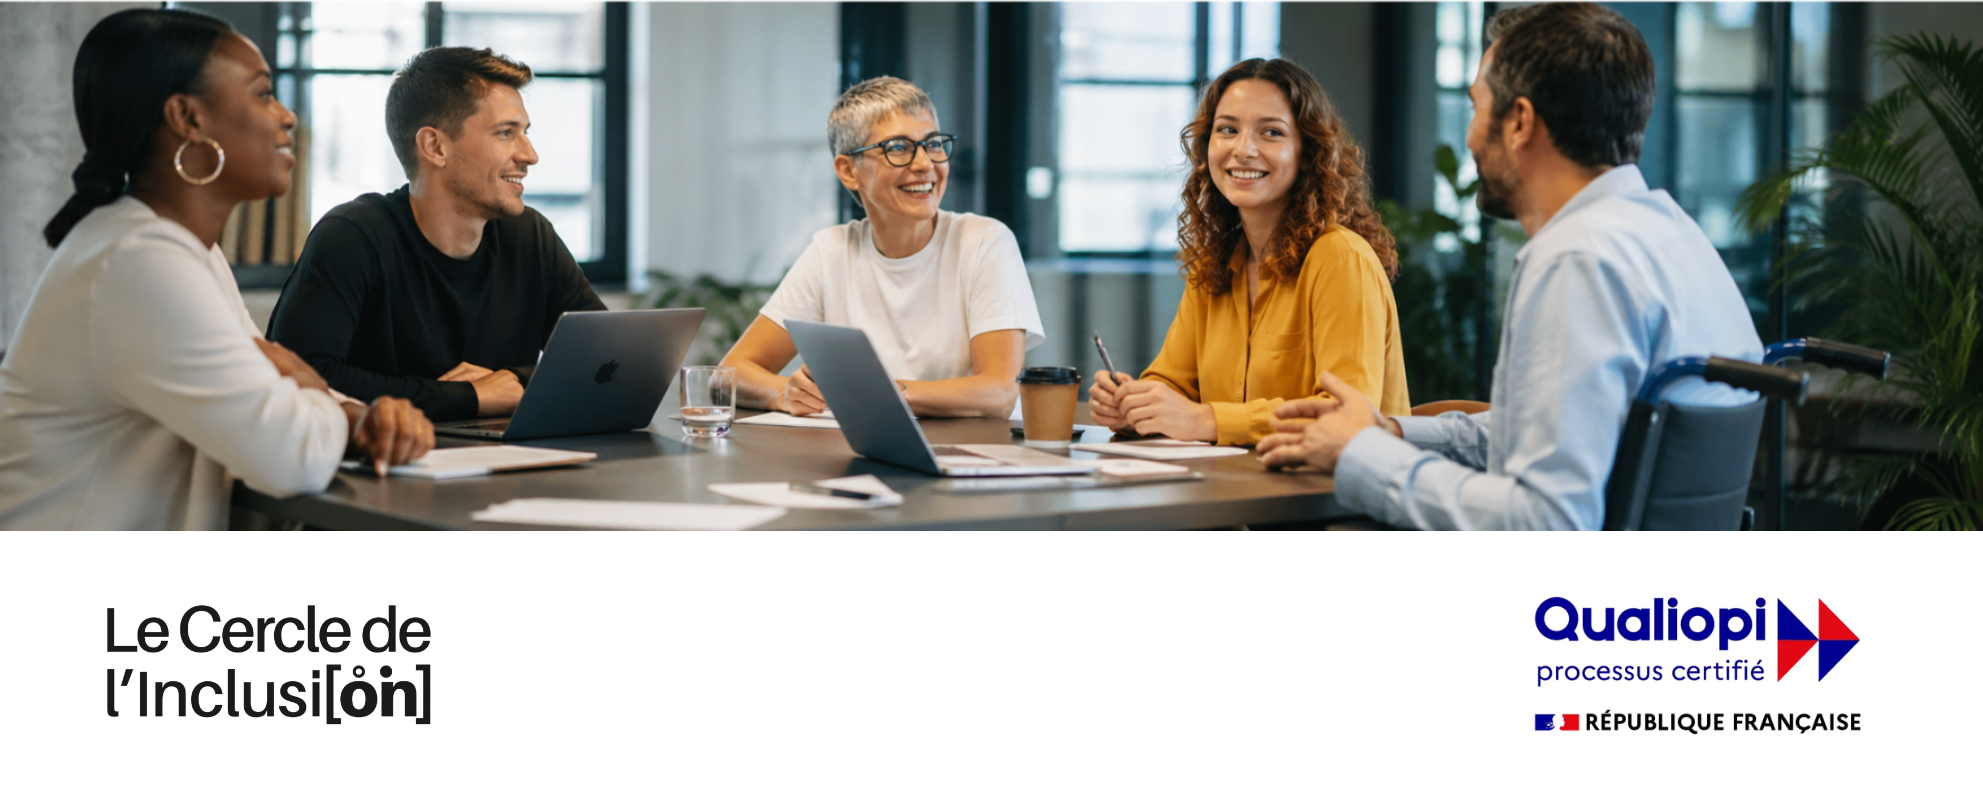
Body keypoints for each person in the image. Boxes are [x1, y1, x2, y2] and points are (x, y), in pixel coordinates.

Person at [1256, 3, 1765, 530]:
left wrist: (1360, 456)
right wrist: (1393, 433)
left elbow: (1545, 518)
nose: (1471, 135)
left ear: (1519, 121)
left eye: (1478, 107)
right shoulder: (1673, 236)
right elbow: (1559, 434)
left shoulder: (1578, 261)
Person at [0, 9, 432, 530]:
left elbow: (272, 397)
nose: (287, 116)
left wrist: (358, 416)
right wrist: (314, 389)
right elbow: (291, 455)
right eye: (262, 93)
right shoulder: (140, 260)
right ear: (187, 118)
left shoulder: (181, 250)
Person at [266, 47, 605, 423]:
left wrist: (518, 381)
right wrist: (468, 396)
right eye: (506, 133)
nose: (530, 155)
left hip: (510, 466)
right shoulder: (353, 237)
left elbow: (606, 360)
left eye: (525, 133)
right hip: (386, 470)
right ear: (435, 146)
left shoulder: (531, 236)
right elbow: (300, 377)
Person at [1088, 58, 1409, 446]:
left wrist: (1207, 420)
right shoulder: (1218, 262)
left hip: (1333, 498)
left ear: (1307, 152)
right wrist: (1132, 404)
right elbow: (1172, 382)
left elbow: (1346, 414)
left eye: (1271, 133)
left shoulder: (1341, 258)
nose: (1243, 150)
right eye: (1227, 129)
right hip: (1237, 490)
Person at [722, 77, 1044, 419]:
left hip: (970, 456)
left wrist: (877, 391)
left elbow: (998, 391)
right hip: (868, 451)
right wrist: (784, 393)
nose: (924, 164)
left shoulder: (985, 242)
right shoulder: (831, 250)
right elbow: (734, 371)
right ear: (849, 171)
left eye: (933, 144)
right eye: (899, 148)